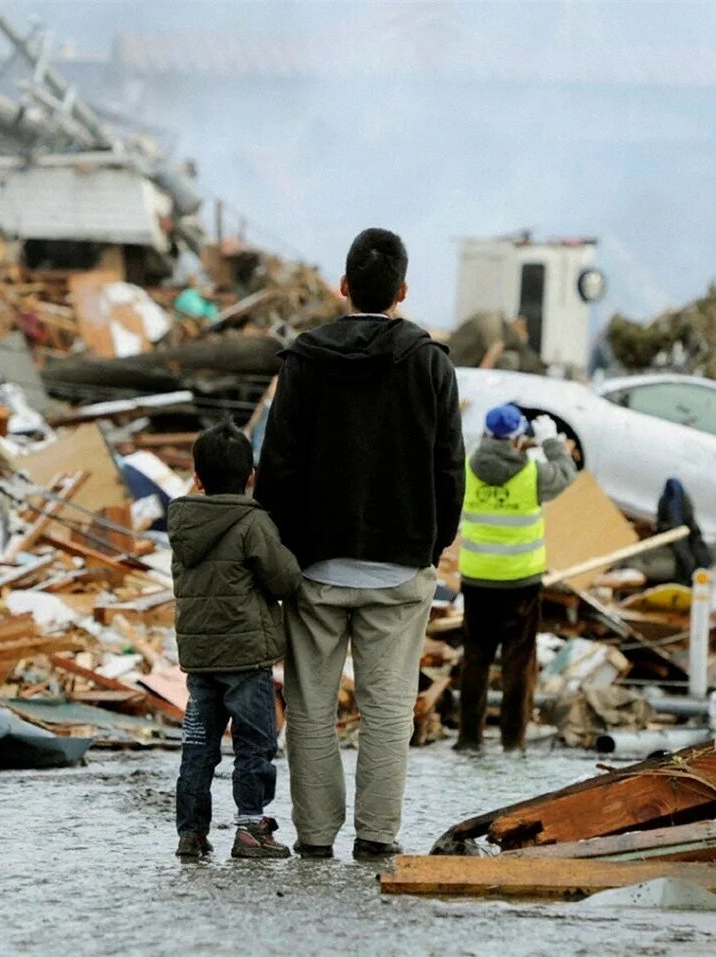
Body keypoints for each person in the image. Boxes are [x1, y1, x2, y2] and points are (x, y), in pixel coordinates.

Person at [255, 227, 464, 861]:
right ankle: (377, 838)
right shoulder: (431, 363)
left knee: (313, 711)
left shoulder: (303, 362)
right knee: (388, 711)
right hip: (400, 570)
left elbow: (278, 468)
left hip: (316, 569)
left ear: (344, 287)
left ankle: (315, 837)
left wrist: (282, 553)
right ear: (402, 290)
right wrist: (433, 543)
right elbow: (449, 466)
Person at [168, 423, 302, 860]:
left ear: (198, 477)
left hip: (200, 659)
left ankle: (190, 833)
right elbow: (284, 579)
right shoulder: (252, 522)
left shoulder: (183, 523)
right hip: (246, 658)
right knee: (254, 745)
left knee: (198, 748)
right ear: (250, 476)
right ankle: (249, 828)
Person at [454, 404, 577, 753]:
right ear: (517, 439)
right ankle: (512, 740)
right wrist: (551, 441)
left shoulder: (466, 470)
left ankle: (468, 739)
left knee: (475, 659)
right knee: (517, 665)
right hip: (521, 584)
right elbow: (566, 473)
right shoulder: (533, 475)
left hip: (477, 581)